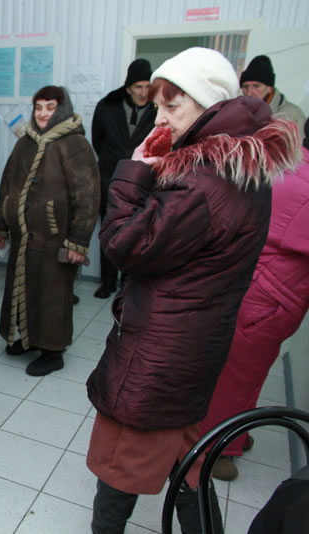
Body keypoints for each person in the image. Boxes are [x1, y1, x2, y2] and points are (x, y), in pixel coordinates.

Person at [85, 47, 302, 534]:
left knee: (118, 472)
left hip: (159, 355)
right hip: (192, 348)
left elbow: (122, 244)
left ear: (208, 106)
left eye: (172, 105)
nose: (159, 119)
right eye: (157, 106)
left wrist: (134, 169)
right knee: (190, 467)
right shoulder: (239, 168)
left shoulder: (203, 181)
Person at [199, 118, 309, 482]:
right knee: (237, 378)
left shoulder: (289, 167)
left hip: (257, 292)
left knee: (242, 375)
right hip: (266, 299)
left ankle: (235, 432)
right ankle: (216, 449)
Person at [0, 86, 99, 377]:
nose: (42, 113)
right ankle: (28, 338)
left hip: (55, 239)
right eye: (38, 107)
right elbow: (7, 185)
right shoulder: (25, 143)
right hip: (23, 239)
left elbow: (88, 196)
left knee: (52, 296)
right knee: (24, 290)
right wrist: (1, 225)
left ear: (62, 109)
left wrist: (78, 241)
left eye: (50, 107)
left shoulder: (75, 145)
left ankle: (53, 351)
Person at [91, 58, 156, 299]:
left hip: (143, 183)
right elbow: (97, 139)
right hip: (110, 180)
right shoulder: (107, 106)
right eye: (138, 87)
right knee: (110, 232)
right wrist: (113, 162)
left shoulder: (158, 109)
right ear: (128, 87)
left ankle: (129, 284)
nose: (143, 92)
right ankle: (107, 282)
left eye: (147, 87)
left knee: (136, 234)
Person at [240, 55, 306, 132]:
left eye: (256, 86)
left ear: (270, 88)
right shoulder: (237, 113)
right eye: (245, 87)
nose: (249, 93)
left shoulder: (293, 116)